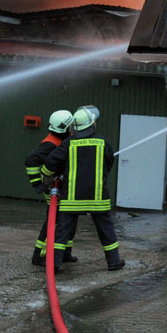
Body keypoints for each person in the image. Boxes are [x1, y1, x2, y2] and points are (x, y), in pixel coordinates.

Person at [40, 105, 125, 272]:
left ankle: (54, 264)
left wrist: (47, 177)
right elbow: (109, 164)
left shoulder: (68, 143)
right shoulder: (103, 142)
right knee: (106, 230)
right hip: (98, 199)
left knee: (62, 232)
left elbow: (50, 163)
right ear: (92, 124)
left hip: (72, 200)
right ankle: (113, 262)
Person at [24, 109, 77, 266]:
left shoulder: (62, 139)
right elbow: (31, 160)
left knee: (69, 219)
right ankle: (39, 255)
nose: (73, 128)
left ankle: (65, 252)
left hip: (62, 186)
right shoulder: (50, 145)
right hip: (53, 188)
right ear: (64, 127)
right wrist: (38, 184)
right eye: (71, 126)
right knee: (54, 221)